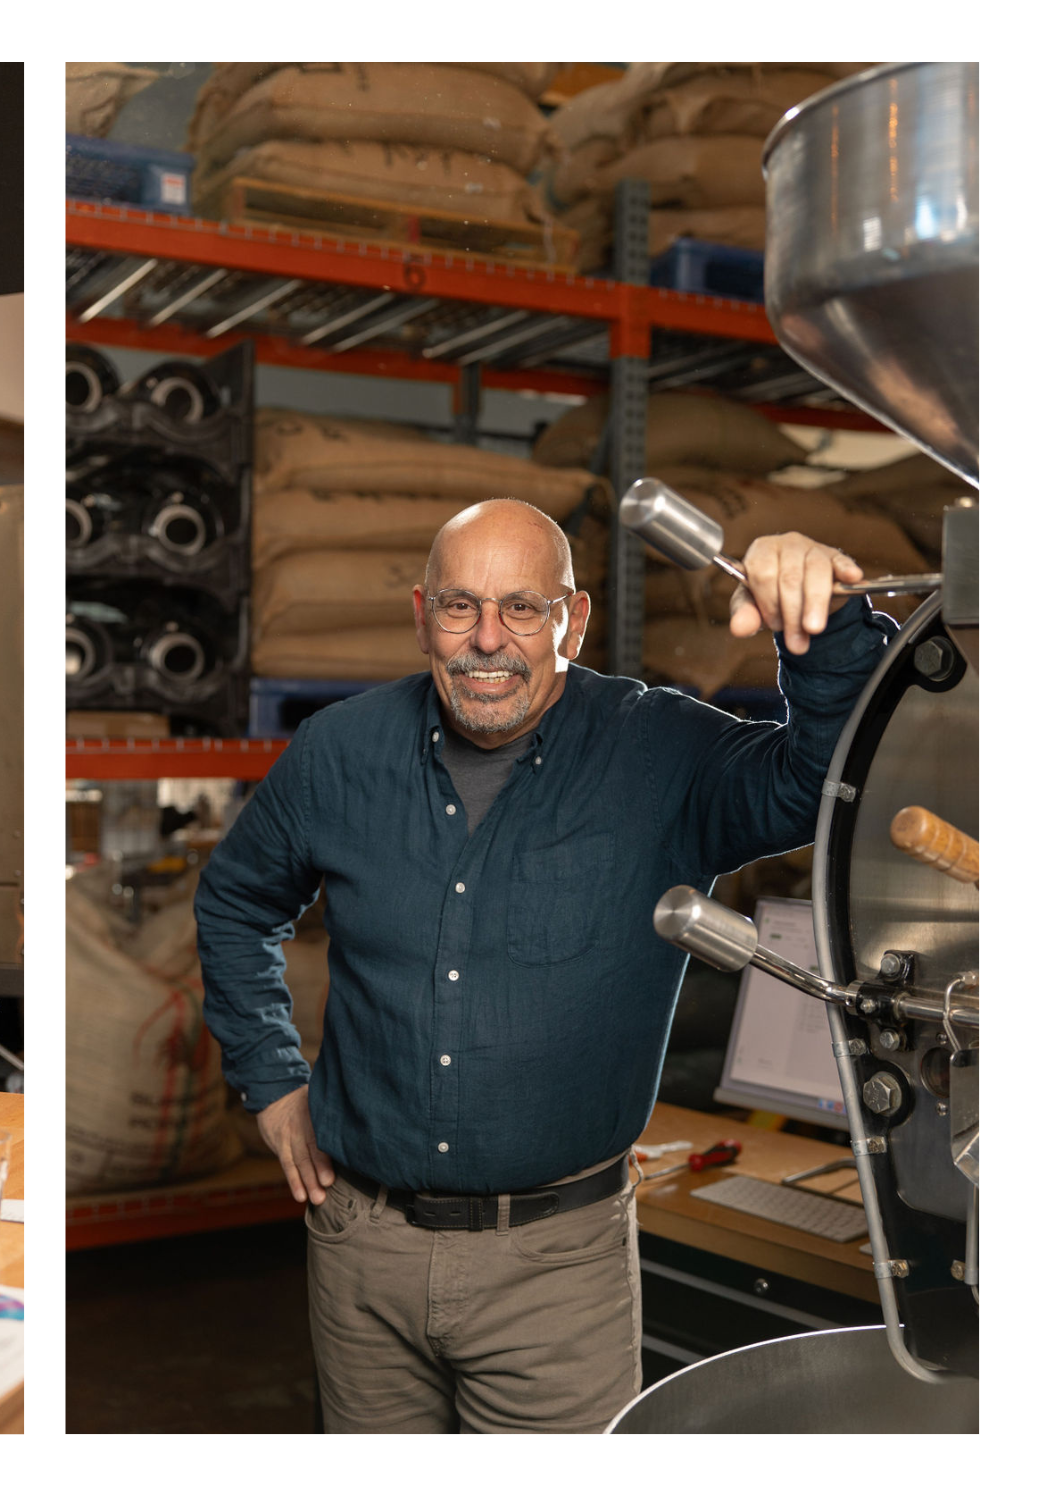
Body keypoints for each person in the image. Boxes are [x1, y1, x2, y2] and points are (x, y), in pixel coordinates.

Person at [195, 499, 894, 1433]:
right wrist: (273, 1079)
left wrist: (823, 629)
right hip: (360, 1250)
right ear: (419, 614)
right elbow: (234, 904)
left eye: (523, 607)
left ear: (575, 617)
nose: (488, 639)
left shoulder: (663, 751)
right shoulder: (340, 751)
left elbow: (822, 788)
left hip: (556, 1268)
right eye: (459, 607)